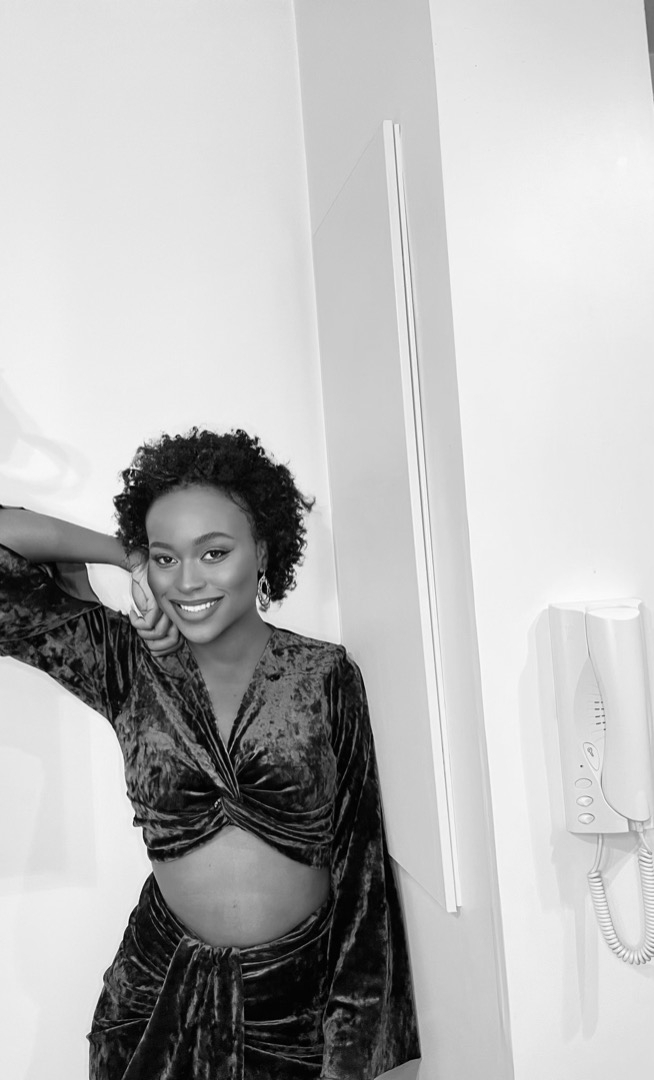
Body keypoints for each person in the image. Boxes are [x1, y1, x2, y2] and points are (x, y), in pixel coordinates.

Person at [0, 427, 420, 1080]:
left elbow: (361, 871)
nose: (187, 580)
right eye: (166, 558)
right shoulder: (123, 664)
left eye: (214, 551)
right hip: (155, 1001)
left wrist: (354, 1046)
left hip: (293, 1013)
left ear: (263, 552)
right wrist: (123, 553)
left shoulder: (322, 675)